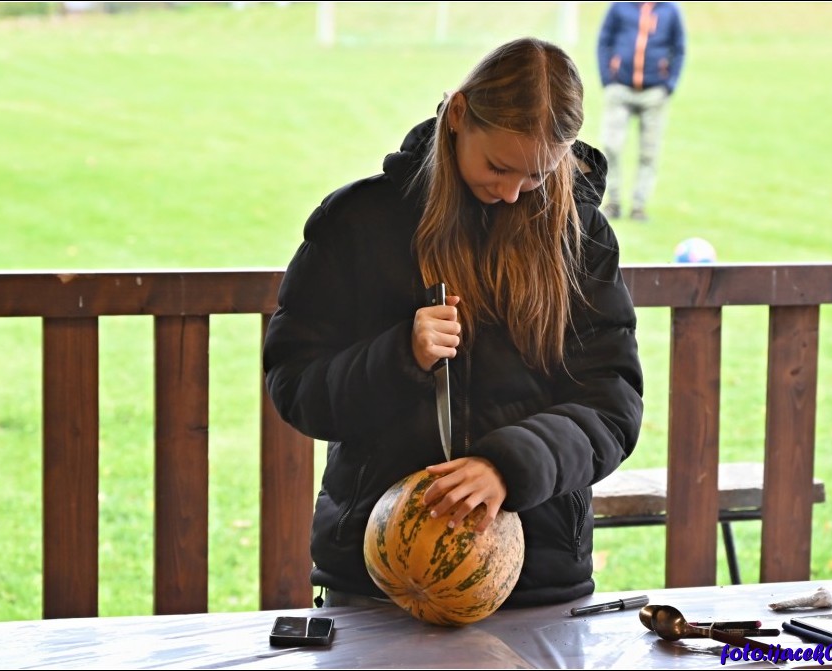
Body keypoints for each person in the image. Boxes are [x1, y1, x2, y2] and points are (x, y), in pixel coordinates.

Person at [263, 37, 644, 608]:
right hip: (375, 577)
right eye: (498, 167)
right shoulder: (358, 223)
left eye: (537, 176)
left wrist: (509, 467)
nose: (511, 193)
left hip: (536, 581)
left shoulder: (581, 236)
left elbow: (612, 404)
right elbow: (296, 385)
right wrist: (399, 355)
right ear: (459, 115)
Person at [597, 1, 686, 221]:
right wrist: (608, 79)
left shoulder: (670, 10)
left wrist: (669, 85)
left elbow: (679, 48)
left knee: (649, 152)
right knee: (611, 145)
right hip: (620, 88)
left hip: (654, 92)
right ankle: (613, 202)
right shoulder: (619, 7)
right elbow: (604, 41)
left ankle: (639, 205)